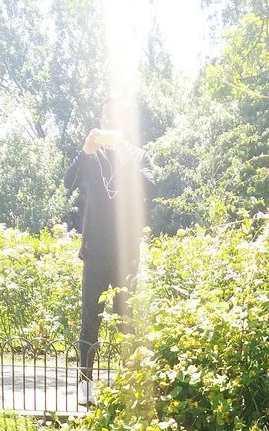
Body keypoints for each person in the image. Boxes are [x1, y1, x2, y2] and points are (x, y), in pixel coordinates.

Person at [64, 97, 151, 392]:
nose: (111, 123)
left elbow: (152, 188)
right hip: (95, 251)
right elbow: (68, 182)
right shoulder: (93, 156)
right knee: (90, 317)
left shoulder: (138, 155)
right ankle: (85, 385)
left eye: (117, 118)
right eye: (106, 118)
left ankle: (130, 388)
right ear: (101, 122)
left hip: (127, 253)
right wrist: (84, 152)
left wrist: (127, 160)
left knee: (126, 319)